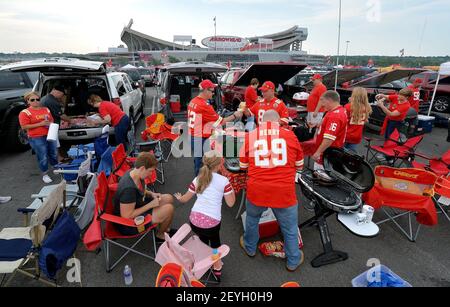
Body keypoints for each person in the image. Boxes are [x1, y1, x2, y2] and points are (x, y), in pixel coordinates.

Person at [239, 110, 305, 272]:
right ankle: (292, 260)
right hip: (283, 191)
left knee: (252, 219)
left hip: (257, 188)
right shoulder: (290, 135)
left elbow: (243, 167)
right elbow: (300, 165)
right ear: (278, 121)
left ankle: (250, 247)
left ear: (261, 120)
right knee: (289, 228)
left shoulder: (251, 135)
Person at [174, 150, 236, 281]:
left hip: (194, 220)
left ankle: (203, 258)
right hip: (211, 223)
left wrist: (180, 198)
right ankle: (216, 266)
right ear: (220, 165)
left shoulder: (198, 179)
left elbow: (185, 199)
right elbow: (231, 203)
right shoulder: (224, 181)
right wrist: (232, 189)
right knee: (215, 245)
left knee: (202, 239)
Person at [113, 152, 176, 241]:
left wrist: (151, 194)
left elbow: (140, 189)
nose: (151, 174)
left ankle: (164, 228)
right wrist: (150, 205)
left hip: (137, 205)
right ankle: (160, 235)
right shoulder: (128, 189)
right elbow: (126, 216)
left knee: (169, 198)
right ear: (142, 168)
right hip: (129, 224)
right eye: (150, 171)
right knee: (169, 209)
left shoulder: (134, 172)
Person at [188, 79, 243, 176]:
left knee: (198, 161)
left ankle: (198, 183)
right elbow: (221, 122)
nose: (213, 93)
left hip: (193, 135)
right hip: (200, 138)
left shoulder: (193, 101)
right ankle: (199, 186)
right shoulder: (204, 105)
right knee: (202, 163)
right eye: (212, 91)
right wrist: (235, 115)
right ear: (205, 90)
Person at [19, 91, 58, 184]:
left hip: (50, 134)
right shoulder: (25, 112)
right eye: (32, 100)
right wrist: (40, 124)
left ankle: (56, 168)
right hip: (36, 137)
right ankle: (45, 174)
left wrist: (50, 123)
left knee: (53, 152)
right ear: (28, 101)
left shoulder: (46, 109)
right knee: (43, 156)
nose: (36, 101)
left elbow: (51, 119)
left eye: (37, 99)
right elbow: (24, 126)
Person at [312, 91, 348, 169]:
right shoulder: (338, 110)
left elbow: (329, 139)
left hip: (327, 154)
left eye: (323, 102)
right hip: (331, 152)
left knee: (321, 177)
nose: (322, 105)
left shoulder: (335, 116)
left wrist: (318, 152)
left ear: (329, 100)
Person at [40, 85, 73, 162]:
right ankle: (57, 159)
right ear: (58, 92)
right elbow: (61, 115)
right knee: (53, 142)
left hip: (46, 124)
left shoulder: (45, 98)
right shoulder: (52, 101)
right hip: (49, 126)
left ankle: (58, 157)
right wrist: (71, 121)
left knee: (54, 142)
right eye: (61, 95)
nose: (61, 97)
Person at [344, 87, 372, 153]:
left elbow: (343, 121)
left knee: (340, 154)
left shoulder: (348, 106)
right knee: (351, 155)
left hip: (346, 134)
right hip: (357, 135)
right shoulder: (367, 107)